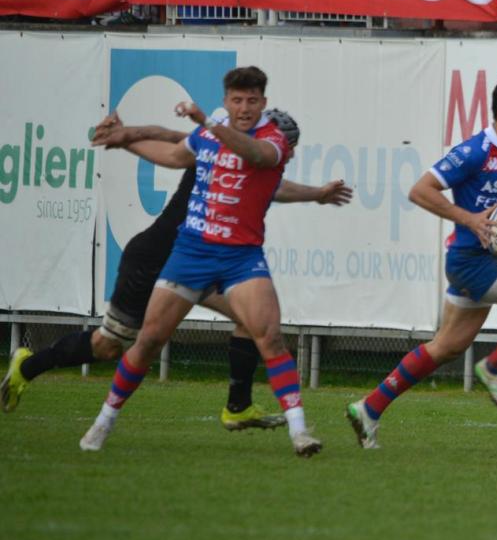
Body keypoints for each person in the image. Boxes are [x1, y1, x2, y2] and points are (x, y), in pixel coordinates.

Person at [2, 116, 351, 428]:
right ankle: (27, 366)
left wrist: (318, 194)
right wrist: (127, 136)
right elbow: (171, 137)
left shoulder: (244, 159)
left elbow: (271, 184)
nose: (288, 153)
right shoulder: (220, 150)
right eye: (289, 145)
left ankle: (238, 406)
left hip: (198, 262)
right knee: (108, 347)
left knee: (252, 321)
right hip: (154, 259)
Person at [77, 67, 322, 457]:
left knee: (270, 337)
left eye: (252, 101)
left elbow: (254, 154)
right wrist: (126, 141)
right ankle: (102, 423)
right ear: (227, 101)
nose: (244, 108)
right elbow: (175, 155)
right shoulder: (209, 133)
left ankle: (299, 432)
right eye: (237, 100)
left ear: (263, 103)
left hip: (241, 257)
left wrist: (207, 122)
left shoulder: (272, 139)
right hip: (191, 253)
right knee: (148, 340)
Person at [346, 77, 497, 449]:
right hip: (469, 262)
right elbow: (420, 190)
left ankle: (368, 408)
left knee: (446, 347)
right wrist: (471, 220)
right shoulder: (473, 152)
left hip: (481, 262)